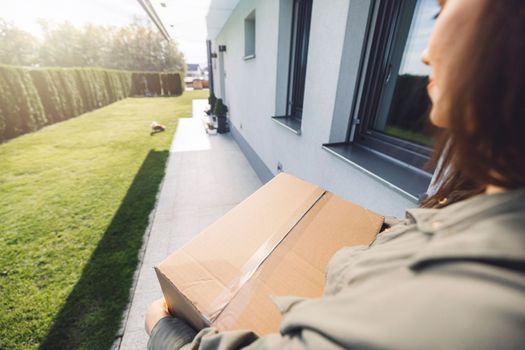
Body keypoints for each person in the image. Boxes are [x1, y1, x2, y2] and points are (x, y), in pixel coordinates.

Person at [145, 0, 525, 348]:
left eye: (440, 9)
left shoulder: (471, 302)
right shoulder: (482, 204)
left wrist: (164, 330)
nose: (424, 54)